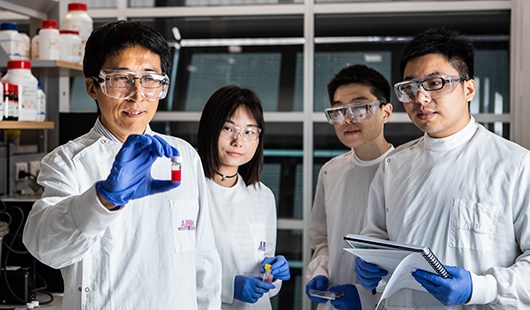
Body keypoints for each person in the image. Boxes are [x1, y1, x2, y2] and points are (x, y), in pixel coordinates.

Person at [22, 21, 222, 310]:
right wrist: (104, 199)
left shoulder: (183, 155)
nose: (137, 95)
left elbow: (204, 262)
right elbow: (46, 249)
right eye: (121, 79)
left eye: (150, 79)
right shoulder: (68, 161)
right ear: (93, 86)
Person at [356, 27, 530, 309]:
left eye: (435, 83)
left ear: (469, 88)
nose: (420, 98)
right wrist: (370, 261)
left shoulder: (515, 164)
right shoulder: (394, 165)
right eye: (409, 87)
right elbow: (376, 235)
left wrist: (480, 288)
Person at [305, 64, 394, 310]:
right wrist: (319, 272)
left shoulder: (405, 172)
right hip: (332, 302)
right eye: (339, 110)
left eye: (360, 107)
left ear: (386, 112)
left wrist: (366, 297)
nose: (348, 119)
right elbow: (321, 239)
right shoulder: (330, 171)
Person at [197, 85, 290, 309]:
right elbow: (173, 269)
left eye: (249, 132)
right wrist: (229, 286)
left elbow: (269, 281)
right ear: (211, 128)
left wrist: (273, 273)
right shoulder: (191, 191)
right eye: (229, 129)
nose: (238, 141)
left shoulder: (262, 195)